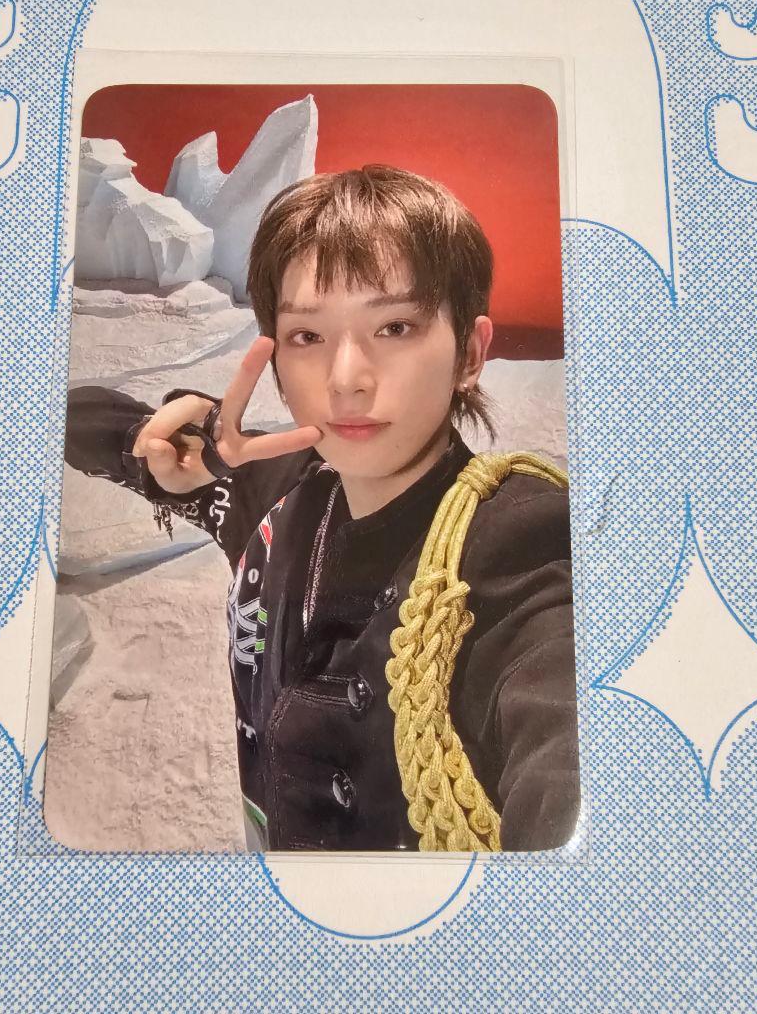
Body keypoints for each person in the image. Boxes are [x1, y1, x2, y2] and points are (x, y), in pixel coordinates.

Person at [65, 165, 579, 852]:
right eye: (307, 337)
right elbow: (70, 415)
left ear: (470, 353)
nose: (345, 380)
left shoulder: (515, 547)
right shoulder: (273, 493)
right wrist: (155, 447)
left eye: (395, 326)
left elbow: (566, 747)